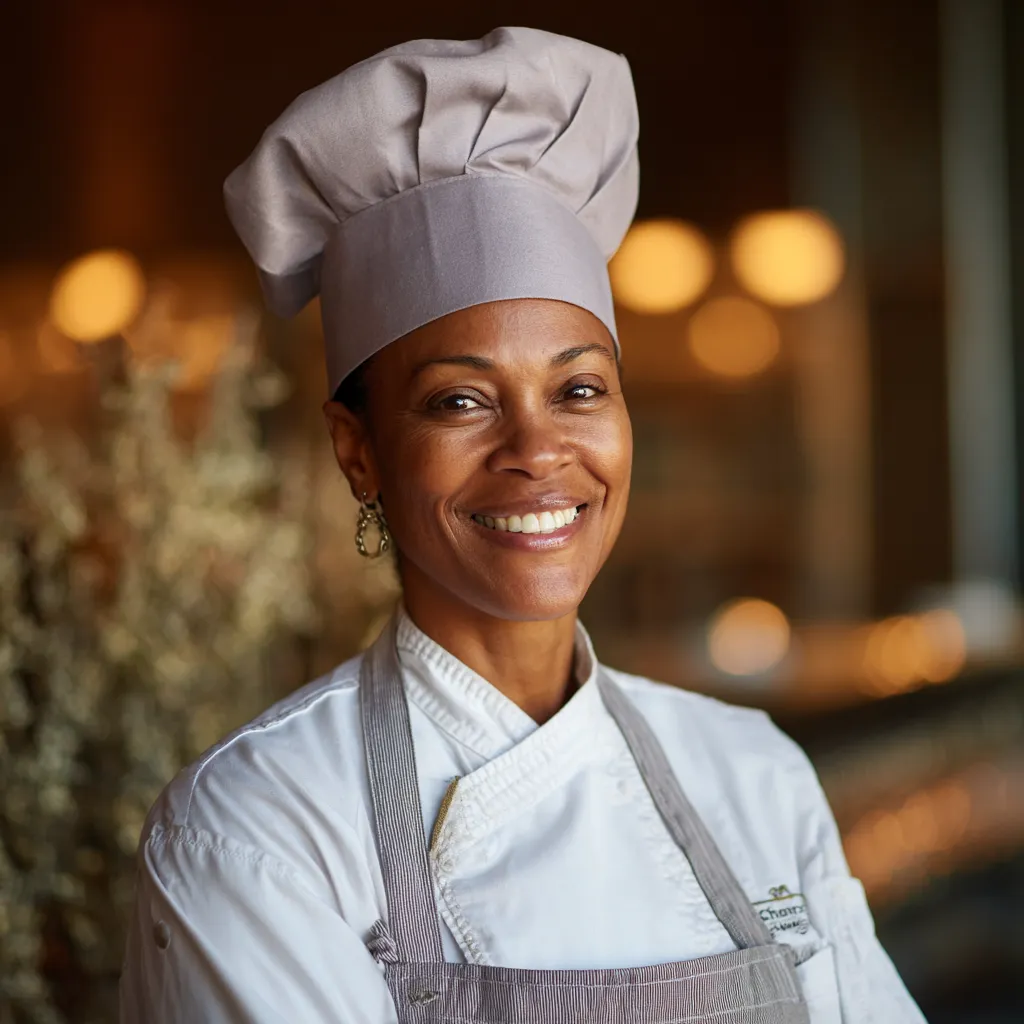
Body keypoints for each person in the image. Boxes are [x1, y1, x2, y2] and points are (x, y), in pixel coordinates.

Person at [119, 26, 927, 1024]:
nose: (537, 450)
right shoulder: (258, 829)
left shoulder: (753, 776)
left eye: (579, 388)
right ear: (357, 449)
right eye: (461, 401)